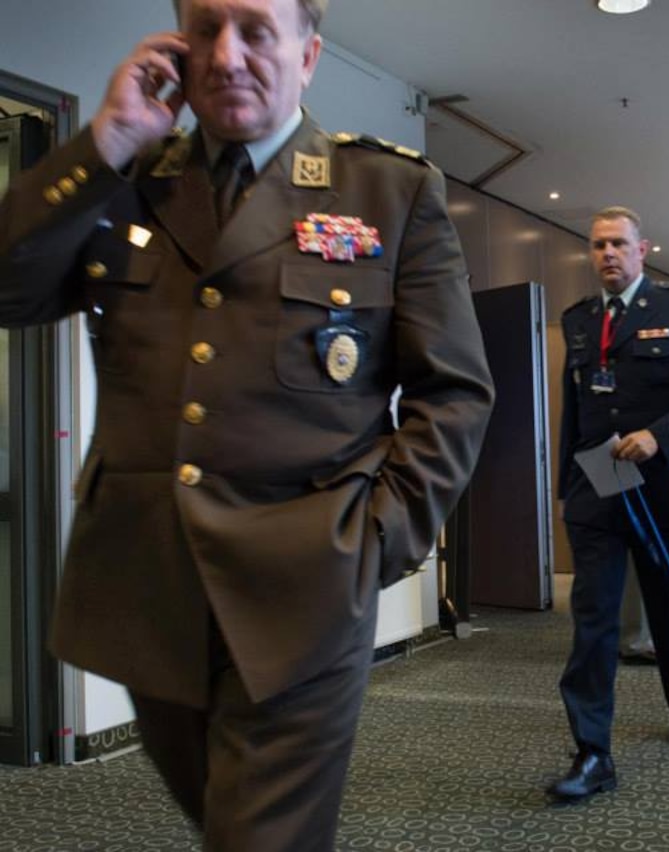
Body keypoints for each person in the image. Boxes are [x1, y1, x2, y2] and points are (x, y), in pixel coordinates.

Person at [0, 1, 495, 847]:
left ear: (308, 54)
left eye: (256, 30)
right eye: (205, 30)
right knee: (227, 825)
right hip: (145, 583)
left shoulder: (387, 188)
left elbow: (453, 392)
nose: (227, 55)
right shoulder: (133, 176)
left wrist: (375, 539)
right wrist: (107, 141)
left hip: (305, 584)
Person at [552, 206, 669, 800]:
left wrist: (660, 437)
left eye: (618, 244)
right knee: (593, 619)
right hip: (597, 487)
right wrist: (564, 492)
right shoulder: (577, 320)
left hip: (665, 487)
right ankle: (591, 751)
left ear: (642, 248)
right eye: (598, 245)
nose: (607, 254)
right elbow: (576, 414)